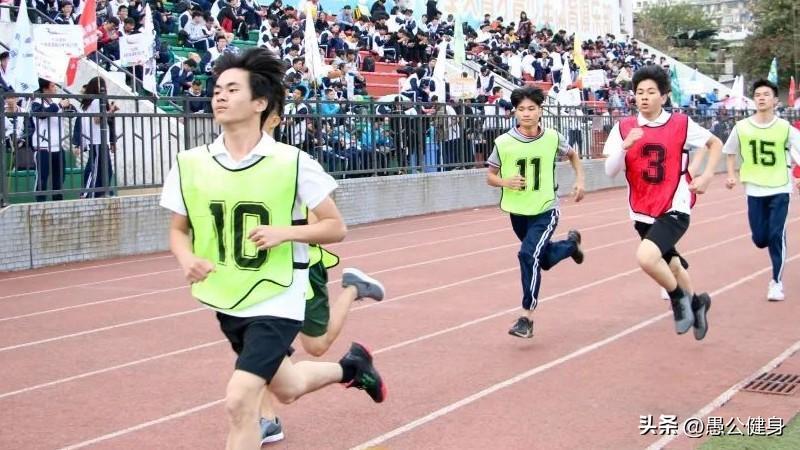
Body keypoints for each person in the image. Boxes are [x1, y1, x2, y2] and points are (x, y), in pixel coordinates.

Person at [159, 47, 385, 450]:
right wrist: (186, 257)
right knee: (288, 386)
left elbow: (336, 227)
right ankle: (351, 368)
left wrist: (285, 233)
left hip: (279, 294)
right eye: (217, 89)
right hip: (227, 296)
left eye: (232, 89)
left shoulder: (292, 162)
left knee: (240, 399)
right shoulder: (190, 163)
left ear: (260, 103)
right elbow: (178, 230)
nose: (220, 96)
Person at [256, 111, 387, 443]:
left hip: (301, 268)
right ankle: (266, 418)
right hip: (258, 274)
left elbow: (327, 224)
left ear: (273, 119)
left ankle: (352, 290)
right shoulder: (227, 166)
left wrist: (282, 233)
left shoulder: (294, 163)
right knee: (260, 349)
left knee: (316, 345)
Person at [603, 65, 722, 341]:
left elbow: (715, 143)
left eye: (651, 92)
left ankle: (678, 299)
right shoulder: (623, 128)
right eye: (639, 92)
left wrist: (706, 176)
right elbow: (609, 171)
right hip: (641, 209)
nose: (644, 97)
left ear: (664, 96)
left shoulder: (680, 124)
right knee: (673, 266)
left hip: (674, 205)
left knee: (646, 258)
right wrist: (624, 146)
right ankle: (697, 304)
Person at [486, 85, 586, 339]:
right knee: (544, 259)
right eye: (521, 109)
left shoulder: (552, 138)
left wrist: (580, 181)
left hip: (545, 209)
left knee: (527, 255)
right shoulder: (503, 142)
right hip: (518, 212)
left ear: (540, 111)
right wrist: (505, 181)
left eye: (531, 108)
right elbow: (490, 176)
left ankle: (526, 317)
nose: (527, 113)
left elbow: (573, 155)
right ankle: (571, 245)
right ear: (515, 112)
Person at [723, 79, 800, 301]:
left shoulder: (785, 128)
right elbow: (730, 151)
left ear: (775, 100)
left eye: (766, 94)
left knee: (776, 234)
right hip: (754, 189)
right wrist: (731, 174)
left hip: (780, 187)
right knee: (760, 239)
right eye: (757, 95)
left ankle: (776, 282)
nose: (761, 98)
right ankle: (771, 242)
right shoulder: (742, 127)